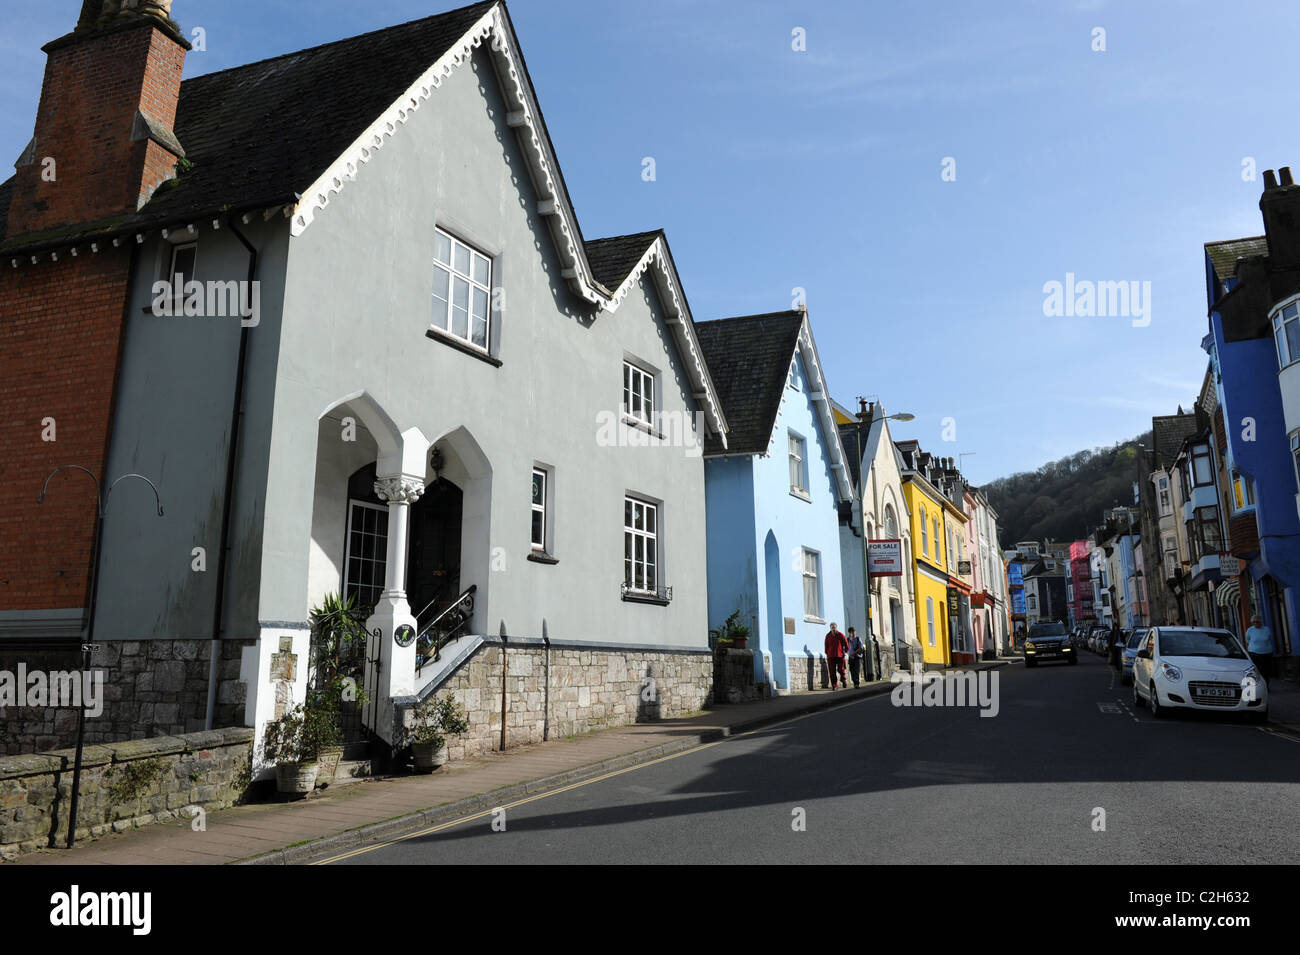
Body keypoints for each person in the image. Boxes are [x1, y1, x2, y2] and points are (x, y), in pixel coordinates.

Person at [1245, 614, 1276, 681]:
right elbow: (1247, 640)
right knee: (1257, 670)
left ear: (1261, 622)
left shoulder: (1266, 629)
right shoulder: (1250, 630)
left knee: (1266, 671)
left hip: (1267, 653)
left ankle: (1266, 685)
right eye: (1254, 622)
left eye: (1257, 622)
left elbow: (1270, 638)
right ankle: (1257, 684)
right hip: (1254, 653)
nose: (1256, 623)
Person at [825, 623, 849, 689]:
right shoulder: (828, 636)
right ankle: (834, 685)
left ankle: (843, 680)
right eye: (832, 627)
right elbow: (826, 645)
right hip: (831, 656)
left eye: (834, 627)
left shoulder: (840, 635)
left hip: (840, 655)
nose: (833, 629)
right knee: (832, 672)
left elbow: (846, 643)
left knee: (841, 669)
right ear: (830, 628)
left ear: (836, 627)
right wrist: (827, 653)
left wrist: (845, 651)